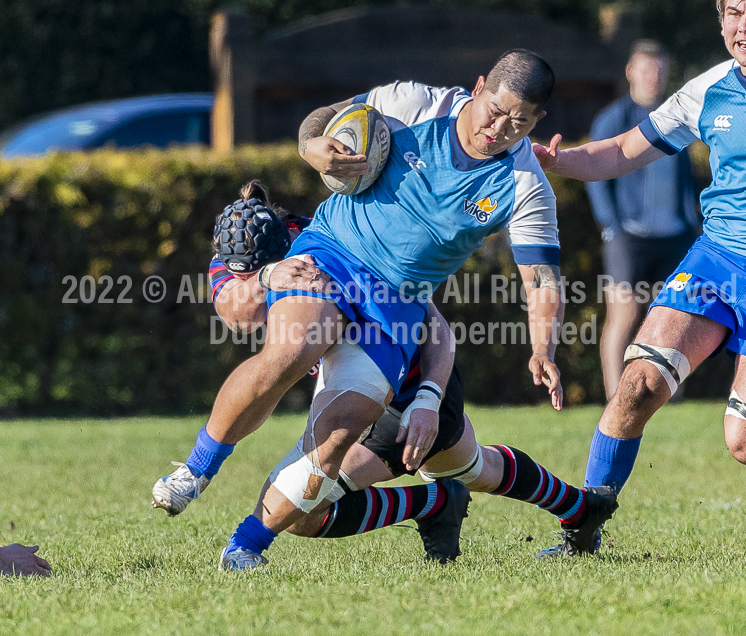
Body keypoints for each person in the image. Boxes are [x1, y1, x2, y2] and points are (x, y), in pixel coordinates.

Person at [154, 49, 583, 571]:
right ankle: (196, 469)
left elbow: (541, 278)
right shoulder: (414, 103)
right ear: (477, 87)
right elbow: (322, 122)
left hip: (398, 308)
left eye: (518, 122)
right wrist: (314, 149)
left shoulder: (524, 185)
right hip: (333, 255)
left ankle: (245, 547)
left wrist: (543, 347)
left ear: (537, 121)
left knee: (337, 436)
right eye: (494, 109)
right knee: (293, 347)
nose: (499, 127)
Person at [188, 182, 618, 564]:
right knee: (473, 467)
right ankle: (576, 509)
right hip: (361, 392)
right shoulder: (242, 265)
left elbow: (438, 332)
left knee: (302, 503)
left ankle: (247, 544)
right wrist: (263, 277)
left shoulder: (337, 247)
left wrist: (428, 400)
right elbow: (237, 307)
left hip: (411, 388)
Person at [533, 0, 746, 557]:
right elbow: (623, 151)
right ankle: (583, 528)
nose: (743, 27)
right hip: (717, 262)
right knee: (638, 383)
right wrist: (557, 161)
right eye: (732, 13)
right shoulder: (709, 89)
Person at [586, 40, 699, 400]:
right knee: (624, 314)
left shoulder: (676, 116)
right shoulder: (613, 119)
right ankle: (613, 397)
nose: (655, 77)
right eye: (647, 69)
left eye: (661, 70)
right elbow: (595, 173)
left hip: (675, 234)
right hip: (627, 235)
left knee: (676, 316)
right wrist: (611, 226)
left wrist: (693, 220)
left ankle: (672, 398)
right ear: (631, 72)